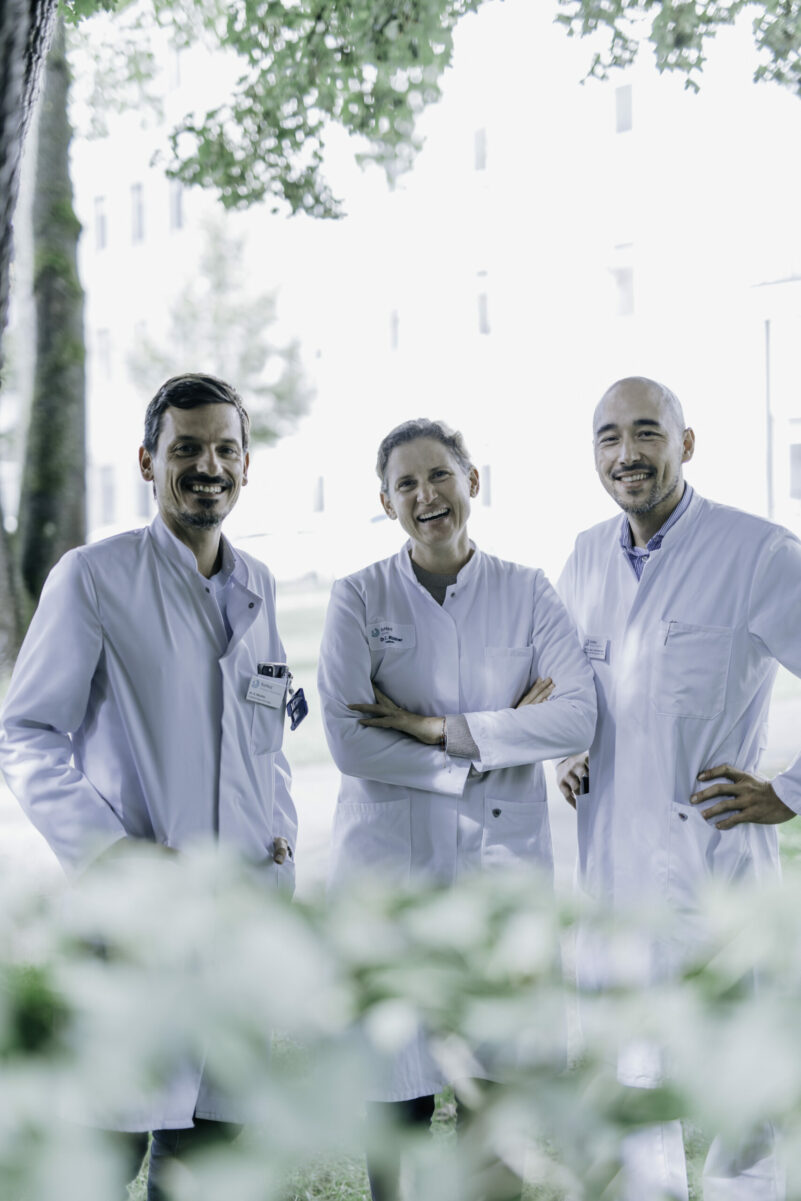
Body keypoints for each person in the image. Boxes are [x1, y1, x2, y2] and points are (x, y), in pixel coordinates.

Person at [0, 373, 297, 1199]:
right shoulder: (94, 577)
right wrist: (112, 854)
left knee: (210, 1144)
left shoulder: (259, 583)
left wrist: (279, 831)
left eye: (225, 449)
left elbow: (265, 734)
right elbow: (26, 733)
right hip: (135, 922)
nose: (208, 466)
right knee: (104, 1146)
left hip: (239, 912)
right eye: (186, 449)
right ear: (146, 461)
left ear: (246, 465)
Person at [318, 418, 597, 1201]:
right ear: (385, 502)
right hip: (390, 877)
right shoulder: (358, 596)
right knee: (394, 1089)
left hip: (500, 875)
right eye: (405, 484)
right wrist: (494, 741)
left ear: (472, 481)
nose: (425, 495)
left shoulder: (526, 589)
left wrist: (434, 727)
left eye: (438, 475)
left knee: (494, 1087)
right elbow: (349, 742)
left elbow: (576, 716)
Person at [556, 375, 801, 1201]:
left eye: (646, 432)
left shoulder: (755, 552)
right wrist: (565, 751)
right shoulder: (586, 556)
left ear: (684, 444)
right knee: (624, 1084)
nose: (626, 453)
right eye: (608, 437)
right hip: (611, 875)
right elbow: (565, 686)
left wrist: (791, 790)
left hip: (715, 867)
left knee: (742, 1086)